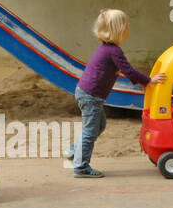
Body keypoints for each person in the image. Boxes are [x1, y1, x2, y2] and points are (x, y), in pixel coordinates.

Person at [65, 9, 166, 177]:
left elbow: (118, 70)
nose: (128, 29)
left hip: (88, 93)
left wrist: (139, 80)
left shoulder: (107, 49)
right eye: (126, 26)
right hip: (91, 96)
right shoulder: (114, 51)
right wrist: (149, 80)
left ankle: (75, 151)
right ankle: (81, 167)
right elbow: (129, 70)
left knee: (99, 126)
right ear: (117, 30)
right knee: (91, 131)